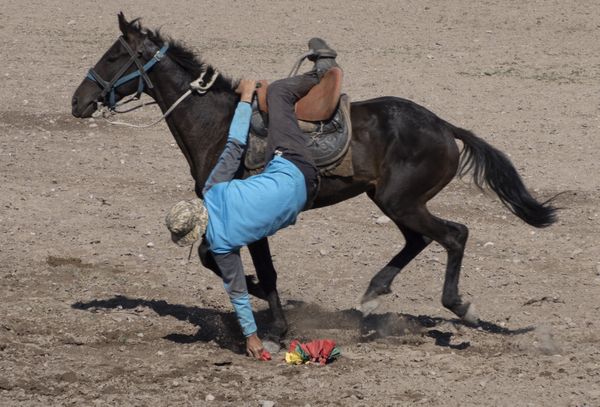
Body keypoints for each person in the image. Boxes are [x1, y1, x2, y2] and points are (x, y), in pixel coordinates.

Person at [165, 38, 339, 359]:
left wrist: (251, 338)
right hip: (295, 165)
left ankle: (269, 323)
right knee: (277, 94)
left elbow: (238, 294)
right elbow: (234, 144)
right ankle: (323, 70)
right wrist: (246, 98)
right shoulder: (213, 189)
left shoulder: (221, 248)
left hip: (302, 198)